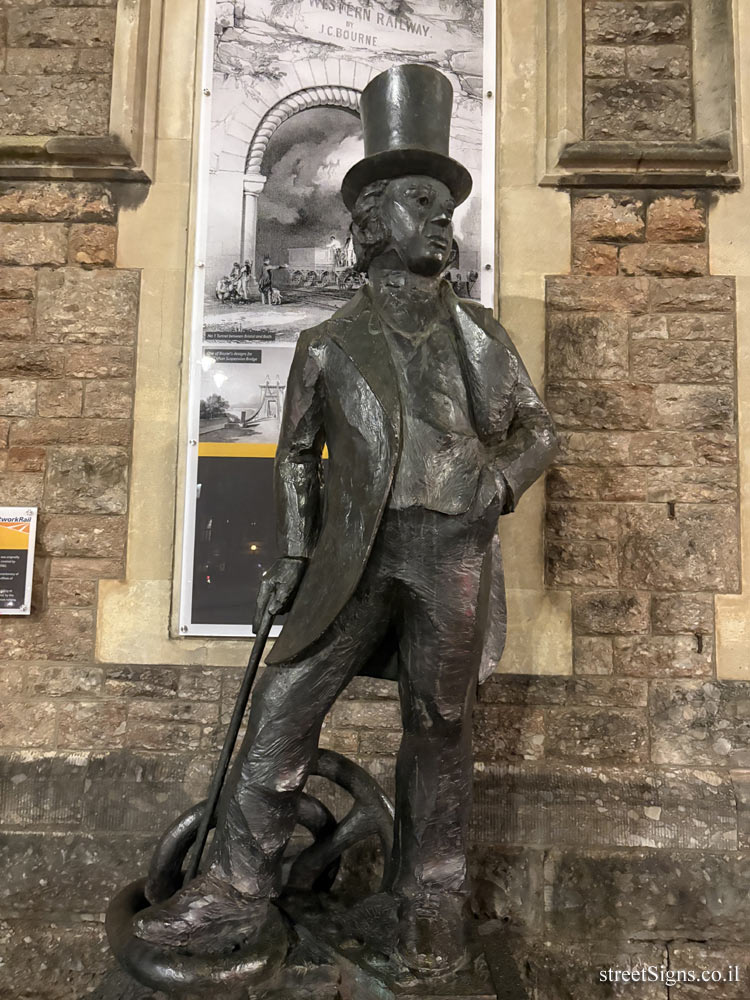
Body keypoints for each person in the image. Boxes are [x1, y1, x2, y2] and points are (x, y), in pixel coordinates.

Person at [135, 64, 557, 978]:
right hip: (348, 559)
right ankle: (233, 890)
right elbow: (293, 456)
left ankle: (429, 910)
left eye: (444, 202)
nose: (441, 216)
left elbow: (539, 429)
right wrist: (291, 552)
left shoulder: (479, 333)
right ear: (370, 227)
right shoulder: (326, 345)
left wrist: (500, 483)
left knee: (441, 727)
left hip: (452, 553)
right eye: (419, 200)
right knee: (283, 707)